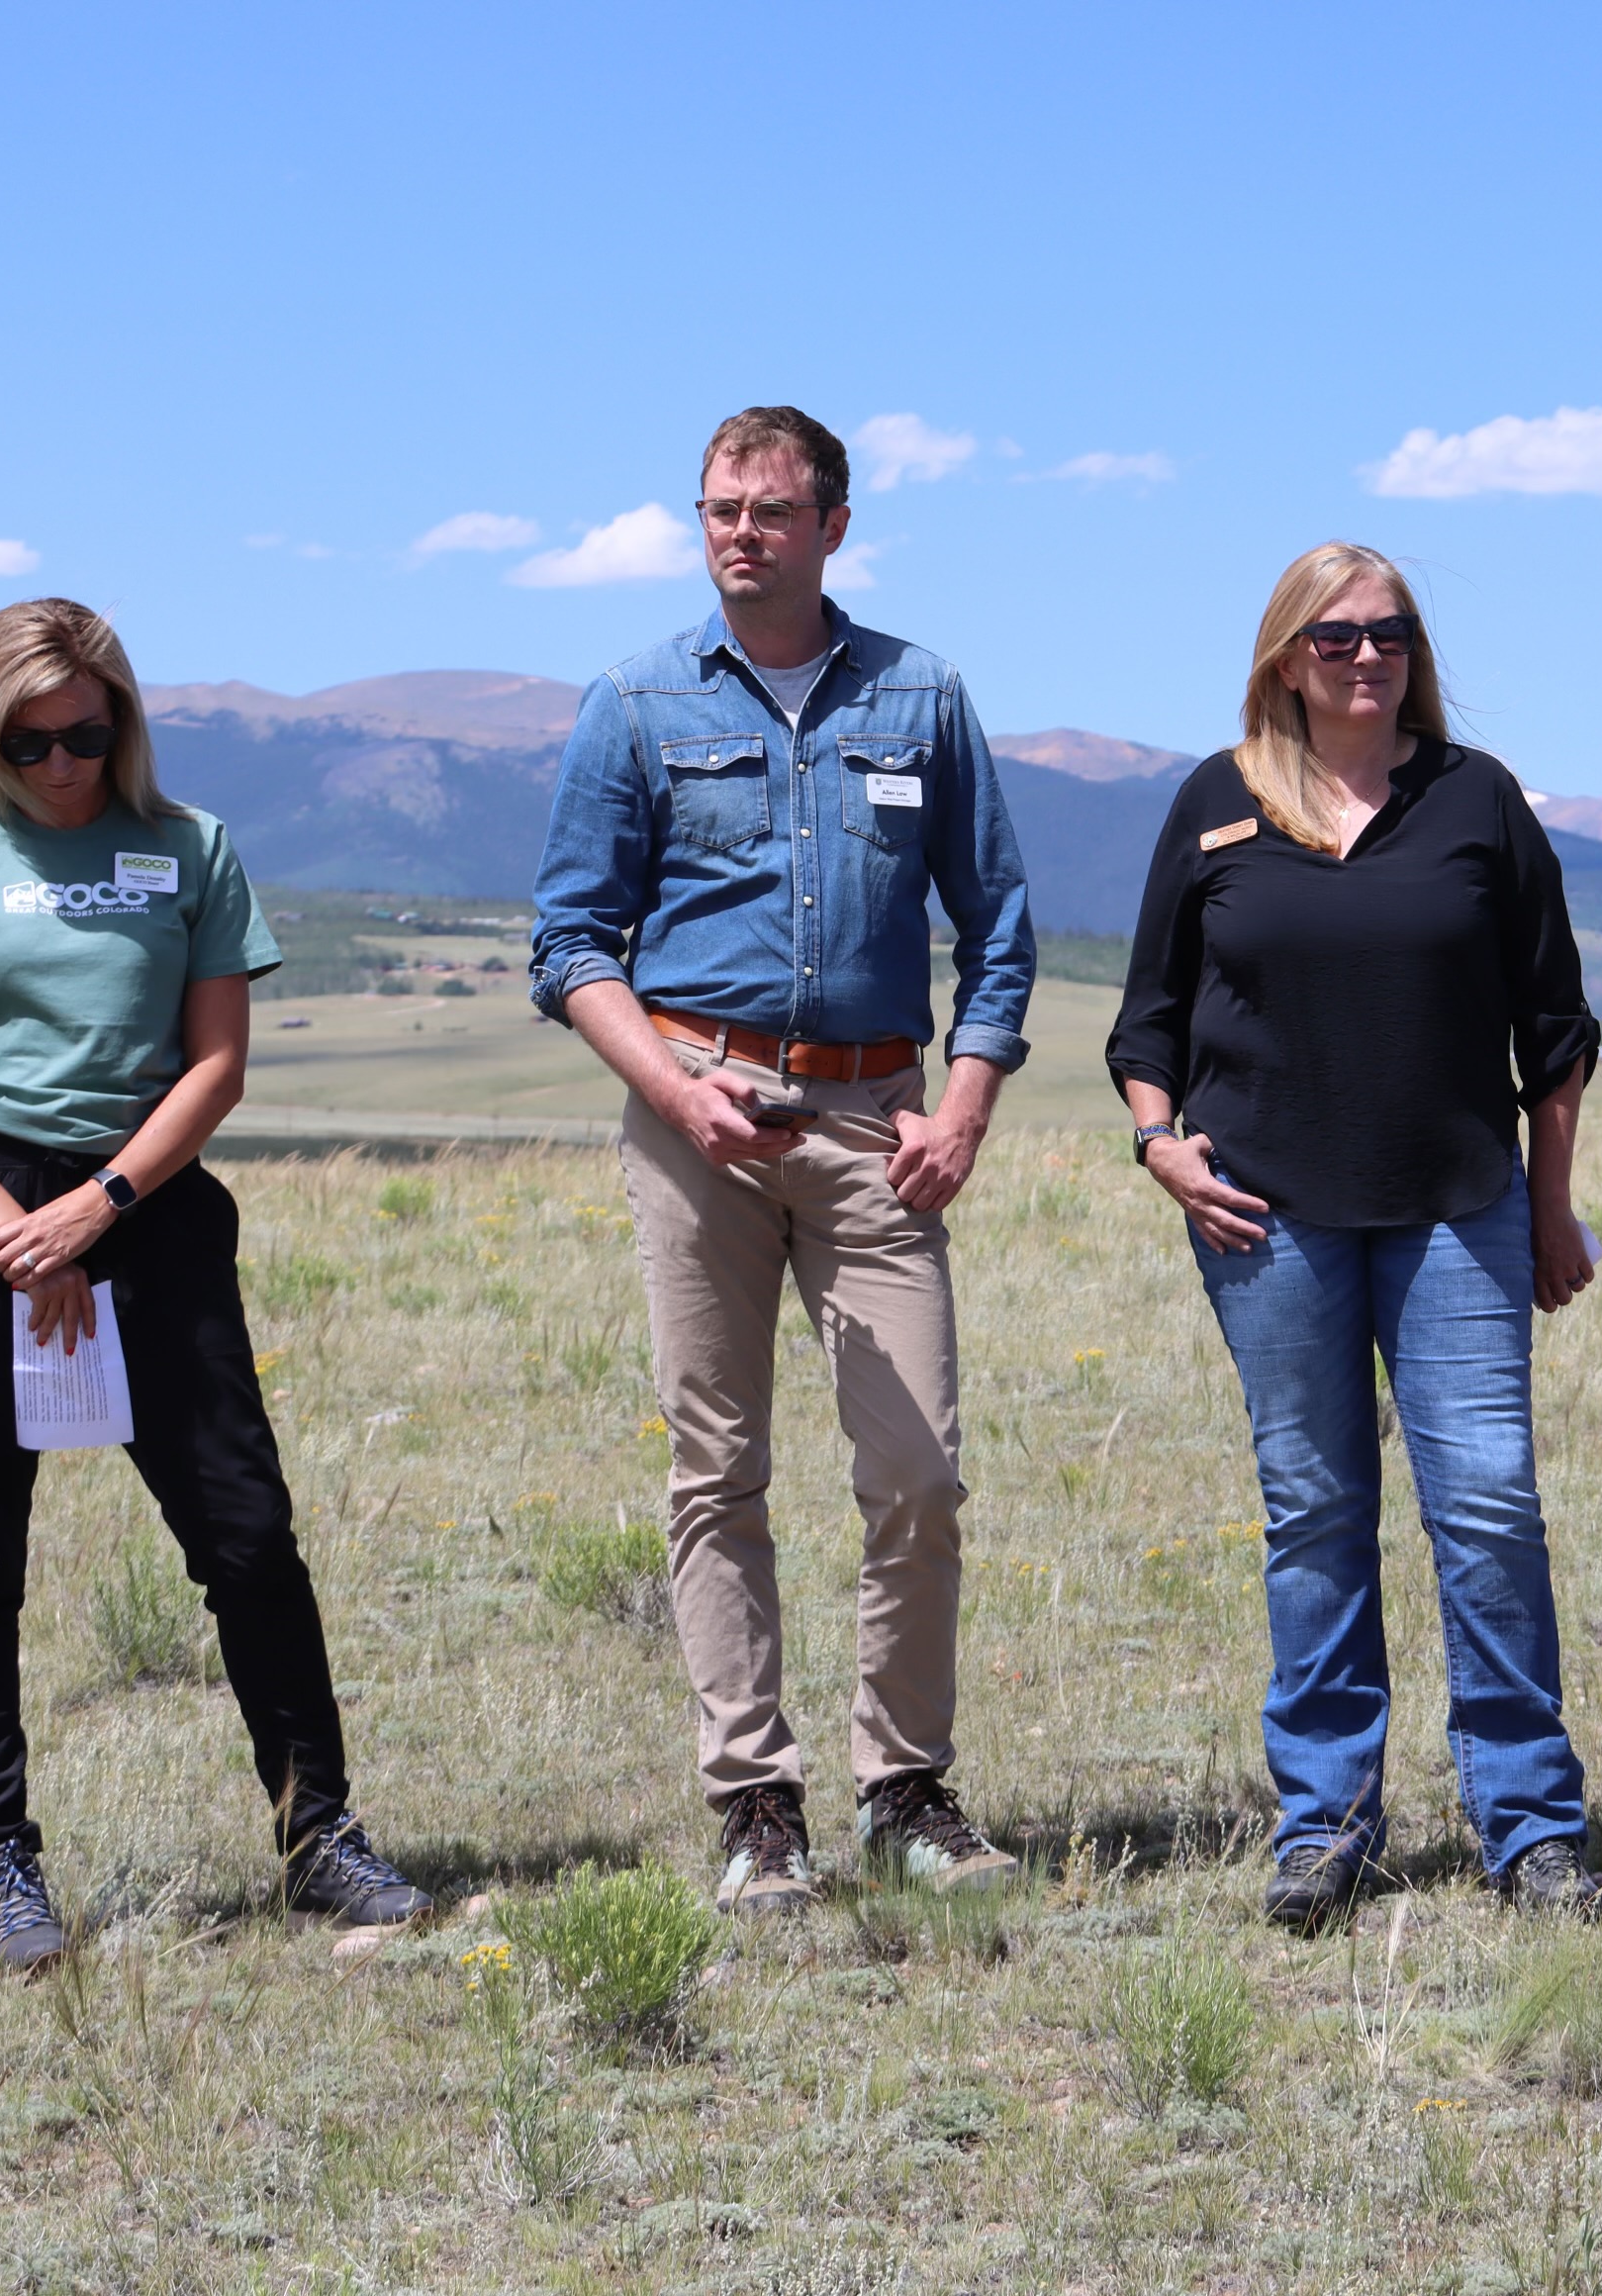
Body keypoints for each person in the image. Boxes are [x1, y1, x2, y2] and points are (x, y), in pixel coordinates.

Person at [0, 599, 429, 1974]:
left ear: (123, 721)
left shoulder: (191, 851)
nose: (61, 764)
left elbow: (217, 1065)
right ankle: (2, 1872)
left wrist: (100, 1204)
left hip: (146, 1202)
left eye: (87, 735)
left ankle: (319, 1838)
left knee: (246, 1537)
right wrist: (16, 1231)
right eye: (30, 739)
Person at [530, 406, 1035, 1916]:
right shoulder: (632, 705)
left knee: (917, 1475)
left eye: (771, 509)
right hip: (702, 1123)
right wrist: (678, 1098)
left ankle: (907, 1793)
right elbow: (568, 944)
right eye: (719, 510)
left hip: (880, 1123)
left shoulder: (922, 700)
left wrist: (963, 1108)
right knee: (718, 1471)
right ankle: (758, 1803)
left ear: (833, 525)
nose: (742, 533)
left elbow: (998, 926)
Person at [1106, 541, 1602, 1934]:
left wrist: (1552, 1206)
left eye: (1389, 633)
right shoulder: (1217, 803)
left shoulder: (1478, 802)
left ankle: (1532, 1825)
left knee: (1489, 1507)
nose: (1367, 657)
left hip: (1459, 1207)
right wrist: (1163, 1149)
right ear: (1287, 657)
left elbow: (1554, 1033)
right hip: (1264, 1215)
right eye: (1335, 639)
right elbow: (1148, 1018)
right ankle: (1326, 1820)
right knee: (1316, 1513)